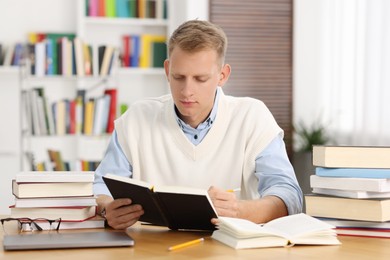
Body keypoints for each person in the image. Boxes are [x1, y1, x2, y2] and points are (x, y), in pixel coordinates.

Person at [94, 20, 303, 230]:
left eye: (200, 79)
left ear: (223, 75)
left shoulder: (253, 117)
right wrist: (106, 209)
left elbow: (289, 195)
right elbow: (100, 188)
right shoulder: (136, 119)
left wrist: (240, 210)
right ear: (167, 70)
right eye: (178, 77)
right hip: (152, 249)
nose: (187, 91)